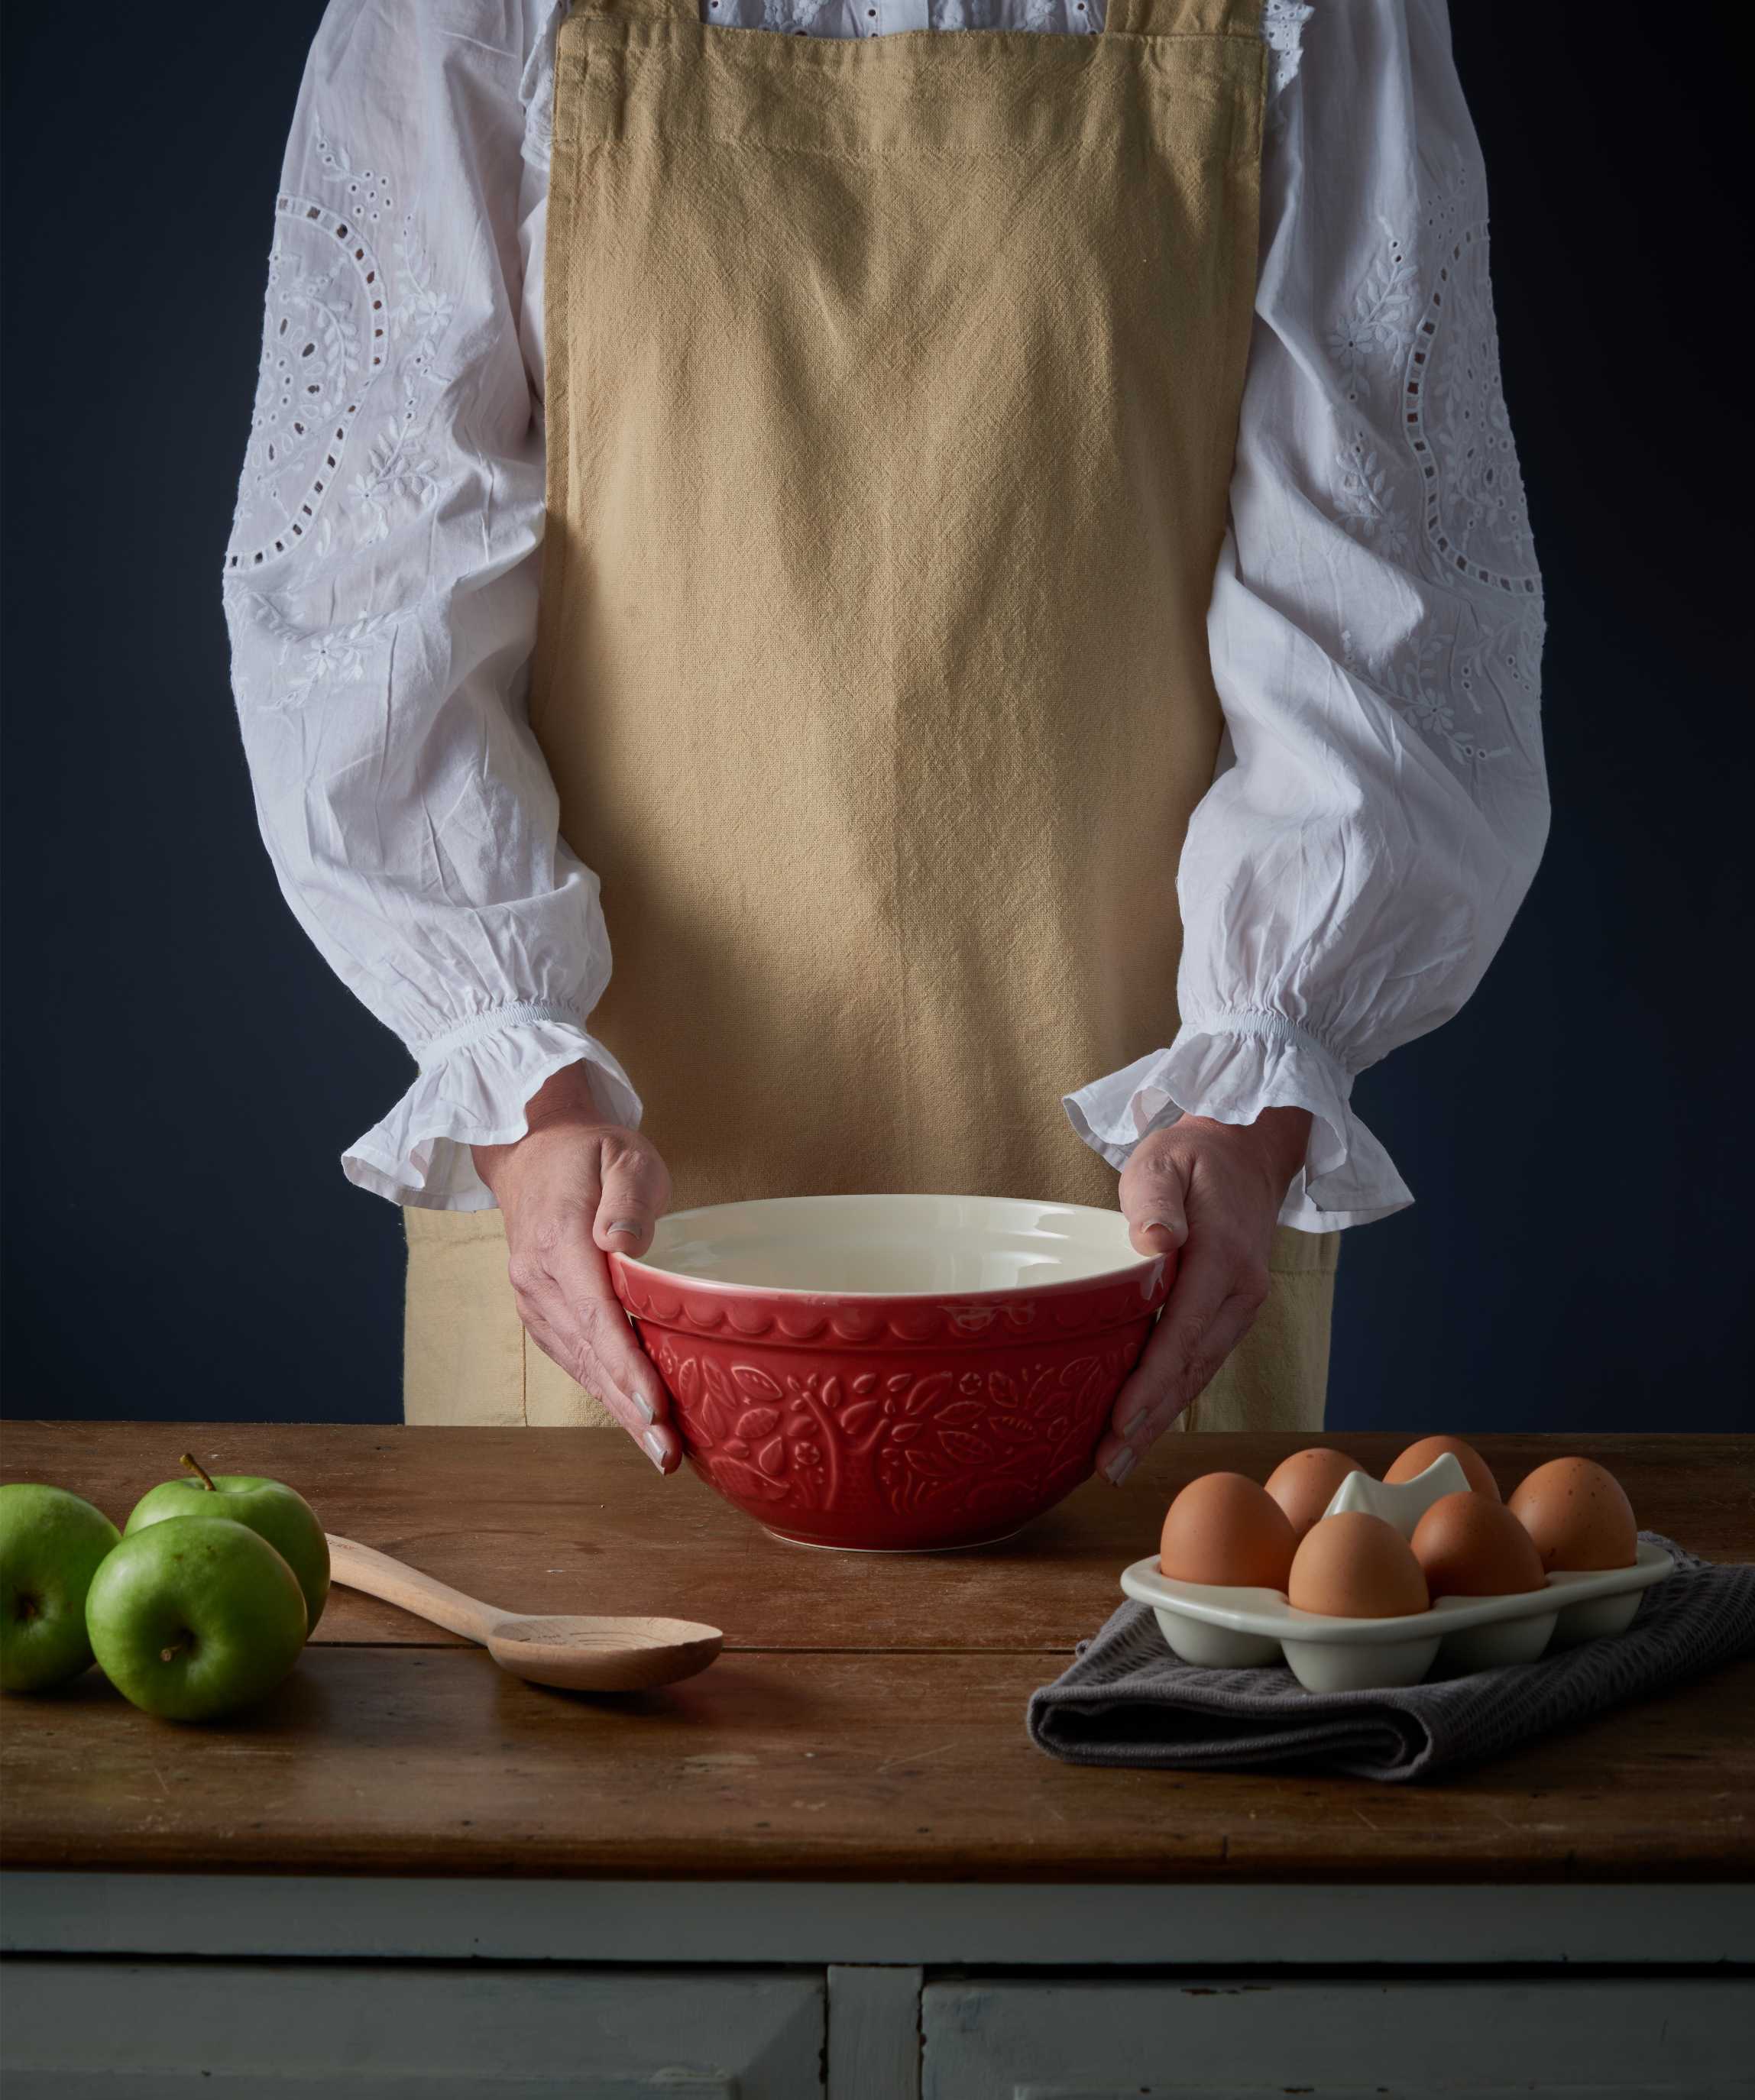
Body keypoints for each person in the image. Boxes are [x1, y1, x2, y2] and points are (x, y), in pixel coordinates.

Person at [222, 0, 1546, 1481]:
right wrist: (520, 1101)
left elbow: (1384, 603)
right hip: (597, 1241)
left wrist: (1251, 1118)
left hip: (1139, 1233)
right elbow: (364, 606)